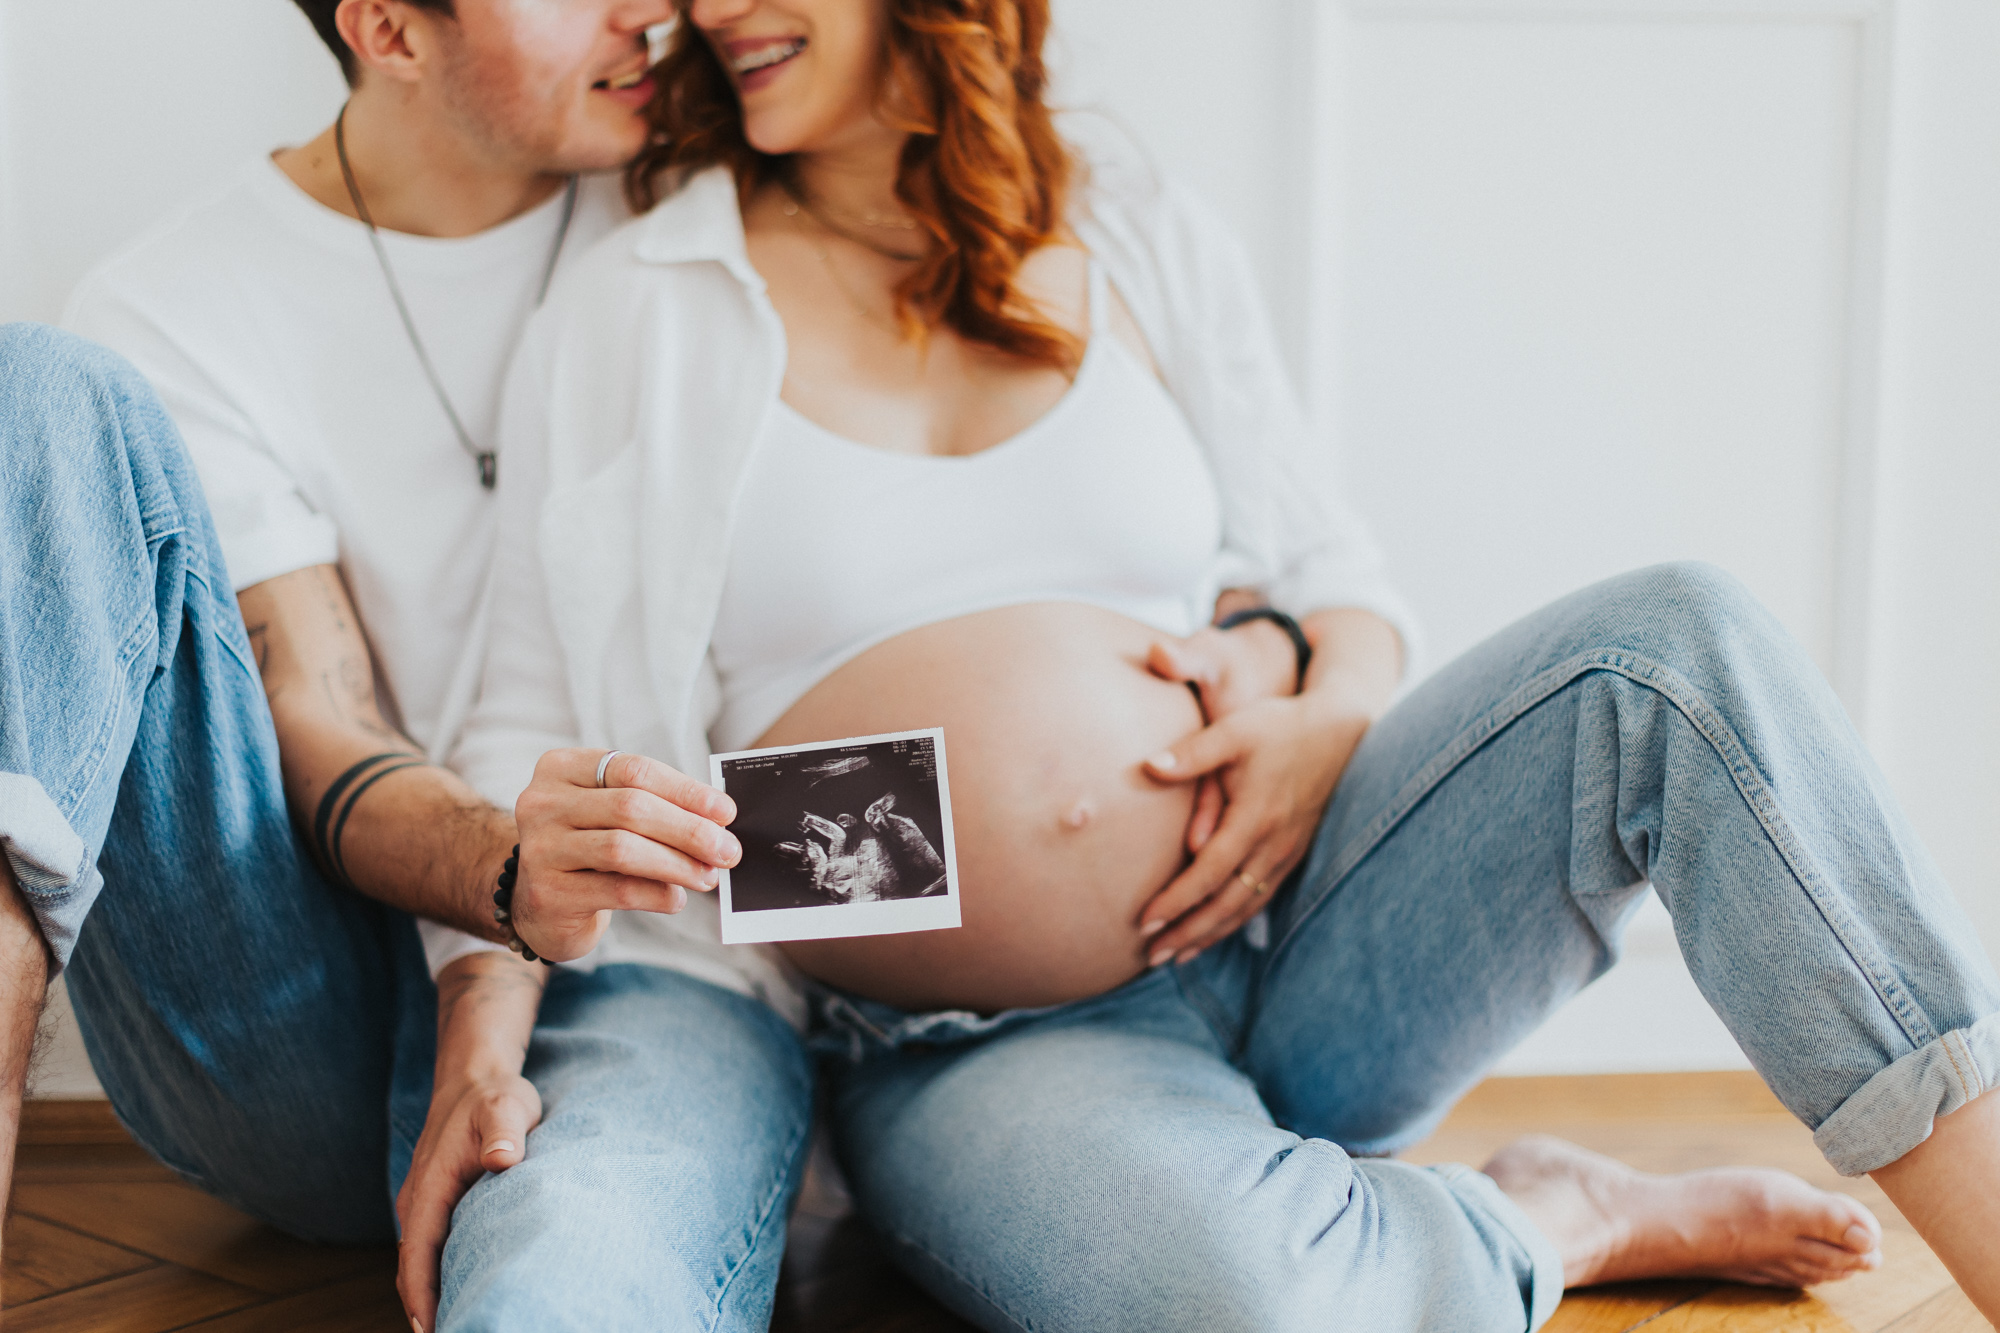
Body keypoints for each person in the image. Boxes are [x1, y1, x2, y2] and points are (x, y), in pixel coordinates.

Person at [415, 0, 2000, 1326]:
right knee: (1254, 1306)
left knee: (1679, 647)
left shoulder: (1128, 225)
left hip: (1306, 924)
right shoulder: (643, 294)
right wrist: (489, 1002)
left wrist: (1326, 700)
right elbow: (526, 723)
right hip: (979, 1040)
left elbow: (1341, 587)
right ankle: (1553, 1221)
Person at [0, 2, 817, 1329]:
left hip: (641, 969)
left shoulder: (706, 222)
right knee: (36, 396)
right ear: (388, 29)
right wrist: (511, 872)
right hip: (303, 1000)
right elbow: (319, 717)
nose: (649, 10)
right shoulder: (179, 303)